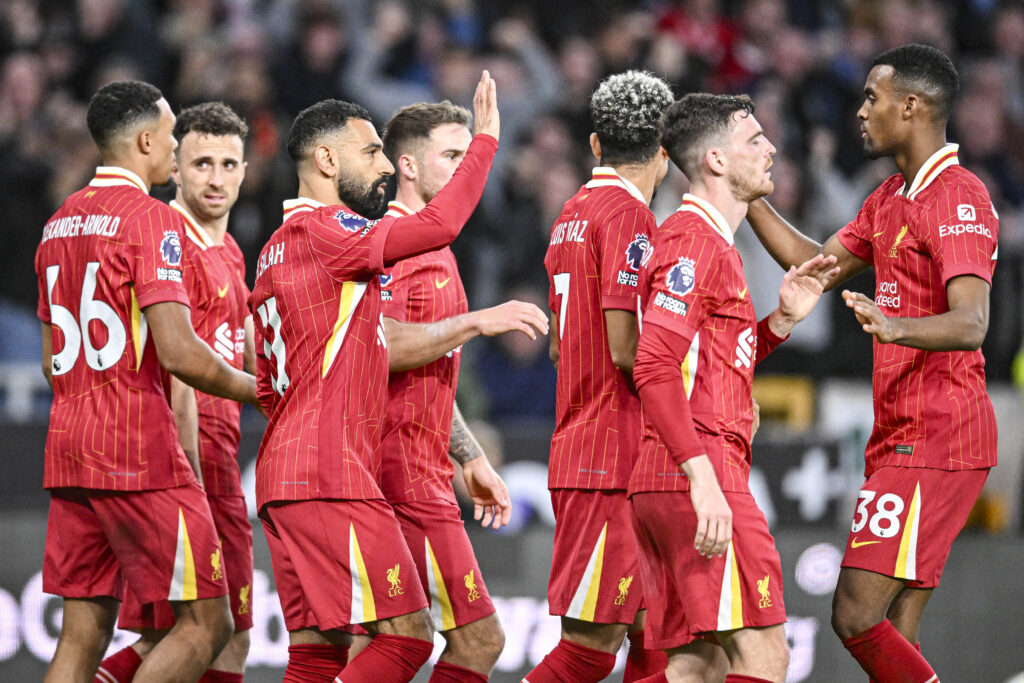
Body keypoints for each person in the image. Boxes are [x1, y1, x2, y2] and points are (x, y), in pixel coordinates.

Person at [251, 72, 540, 683]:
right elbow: (431, 246)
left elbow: (279, 370)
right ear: (326, 158)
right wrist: (488, 141)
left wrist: (464, 453)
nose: (380, 164)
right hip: (345, 471)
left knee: (318, 654)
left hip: (291, 467)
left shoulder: (278, 245)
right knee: (409, 639)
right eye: (370, 151)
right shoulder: (338, 234)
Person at [745, 44, 998, 682]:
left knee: (855, 614)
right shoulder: (890, 197)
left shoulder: (959, 197)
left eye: (871, 98)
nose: (861, 112)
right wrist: (744, 195)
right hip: (903, 434)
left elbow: (973, 321)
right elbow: (812, 264)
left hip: (939, 434)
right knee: (893, 634)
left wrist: (896, 326)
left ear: (910, 106)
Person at [35, 80, 260, 683]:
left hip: (69, 446)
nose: (171, 148)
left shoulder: (58, 224)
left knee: (82, 634)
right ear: (143, 140)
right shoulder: (152, 221)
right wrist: (263, 392)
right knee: (210, 625)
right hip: (138, 449)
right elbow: (182, 353)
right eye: (168, 138)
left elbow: (50, 360)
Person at [628, 93, 838, 683]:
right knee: (765, 656)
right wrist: (703, 482)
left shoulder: (709, 241)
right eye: (754, 140)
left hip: (669, 472)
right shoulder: (694, 243)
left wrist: (778, 324)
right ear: (716, 160)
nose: (770, 149)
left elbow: (710, 361)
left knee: (697, 663)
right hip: (698, 467)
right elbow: (654, 366)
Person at [343, 100, 550, 683]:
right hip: (396, 470)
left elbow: (431, 372)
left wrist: (471, 455)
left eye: (469, 155)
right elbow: (376, 347)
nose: (464, 171)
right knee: (478, 639)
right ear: (406, 165)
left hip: (420, 465)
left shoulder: (432, 249)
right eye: (452, 156)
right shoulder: (390, 244)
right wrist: (475, 321)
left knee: (387, 643)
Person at [94, 101, 256, 683]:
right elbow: (177, 368)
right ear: (176, 167)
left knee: (223, 636)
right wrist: (186, 471)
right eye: (201, 162)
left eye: (228, 163)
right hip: (184, 461)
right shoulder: (169, 242)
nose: (215, 178)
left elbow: (242, 347)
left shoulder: (231, 253)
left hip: (220, 460)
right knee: (189, 632)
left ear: (245, 170)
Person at [524, 70, 677, 683]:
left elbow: (563, 347)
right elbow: (624, 346)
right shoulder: (631, 219)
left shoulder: (571, 212)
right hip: (610, 455)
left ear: (595, 145)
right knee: (590, 646)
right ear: (664, 152)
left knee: (656, 634)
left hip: (592, 443)